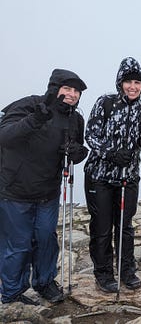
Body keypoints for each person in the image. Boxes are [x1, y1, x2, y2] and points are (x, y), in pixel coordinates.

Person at [0, 69, 88, 305]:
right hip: (15, 191)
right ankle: (12, 292)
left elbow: (76, 149)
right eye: (67, 88)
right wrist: (34, 120)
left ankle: (45, 282)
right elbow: (4, 137)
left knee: (46, 238)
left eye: (76, 90)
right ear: (54, 87)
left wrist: (78, 153)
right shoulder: (29, 106)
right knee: (18, 245)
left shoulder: (75, 118)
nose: (72, 94)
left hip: (48, 192)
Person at [84, 57, 141, 293]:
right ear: (120, 83)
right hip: (100, 177)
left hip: (129, 177)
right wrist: (111, 153)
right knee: (102, 227)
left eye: (137, 82)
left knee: (125, 226)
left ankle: (126, 270)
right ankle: (104, 273)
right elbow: (91, 135)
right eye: (128, 82)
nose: (133, 86)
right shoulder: (105, 102)